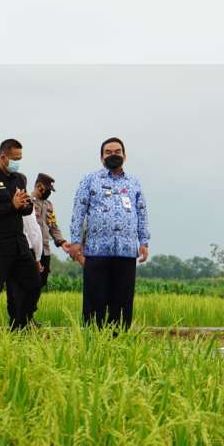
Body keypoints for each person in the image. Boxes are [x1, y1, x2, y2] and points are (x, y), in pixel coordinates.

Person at [68, 137, 150, 330]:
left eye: (117, 152)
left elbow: (142, 211)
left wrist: (144, 241)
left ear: (124, 155)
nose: (113, 155)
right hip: (97, 251)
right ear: (101, 157)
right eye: (108, 152)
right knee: (94, 302)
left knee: (122, 303)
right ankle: (92, 342)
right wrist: (75, 241)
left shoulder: (134, 183)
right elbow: (78, 211)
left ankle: (118, 342)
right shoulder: (90, 180)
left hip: (126, 251)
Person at [0, 138, 39, 332]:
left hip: (18, 243)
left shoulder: (20, 179)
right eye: (14, 158)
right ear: (3, 157)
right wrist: (11, 206)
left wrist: (25, 205)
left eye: (20, 158)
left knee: (33, 284)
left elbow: (25, 209)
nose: (17, 162)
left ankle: (19, 325)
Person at [7, 189, 44, 325]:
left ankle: (16, 322)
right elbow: (33, 232)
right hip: (25, 249)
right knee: (33, 286)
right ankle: (26, 320)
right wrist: (38, 258)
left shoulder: (8, 203)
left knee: (14, 290)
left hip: (8, 250)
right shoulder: (25, 203)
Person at [32, 173, 69, 288]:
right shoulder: (28, 202)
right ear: (39, 186)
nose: (49, 193)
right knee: (29, 284)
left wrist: (61, 242)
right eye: (47, 190)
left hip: (45, 251)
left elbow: (53, 226)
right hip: (31, 251)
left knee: (40, 284)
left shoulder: (48, 205)